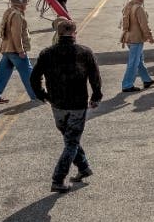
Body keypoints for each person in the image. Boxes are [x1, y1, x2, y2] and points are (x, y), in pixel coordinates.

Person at [30, 19, 101, 193]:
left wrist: (42, 94)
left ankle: (83, 167)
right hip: (77, 104)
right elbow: (94, 77)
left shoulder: (47, 53)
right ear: (74, 33)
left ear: (58, 34)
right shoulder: (84, 52)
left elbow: (34, 77)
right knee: (71, 141)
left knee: (70, 138)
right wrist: (96, 96)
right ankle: (58, 178)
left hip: (57, 103)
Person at [0, 0, 35, 105]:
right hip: (15, 50)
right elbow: (16, 34)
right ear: (20, 4)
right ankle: (36, 95)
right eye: (25, 3)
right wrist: (20, 50)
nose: (26, 6)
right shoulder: (17, 15)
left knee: (3, 74)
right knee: (28, 73)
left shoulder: (9, 12)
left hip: (7, 49)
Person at [119, 0, 154, 92]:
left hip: (128, 37)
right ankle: (127, 85)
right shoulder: (139, 8)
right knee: (134, 62)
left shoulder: (128, 6)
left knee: (139, 60)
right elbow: (144, 25)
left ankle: (146, 80)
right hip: (136, 39)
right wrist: (149, 37)